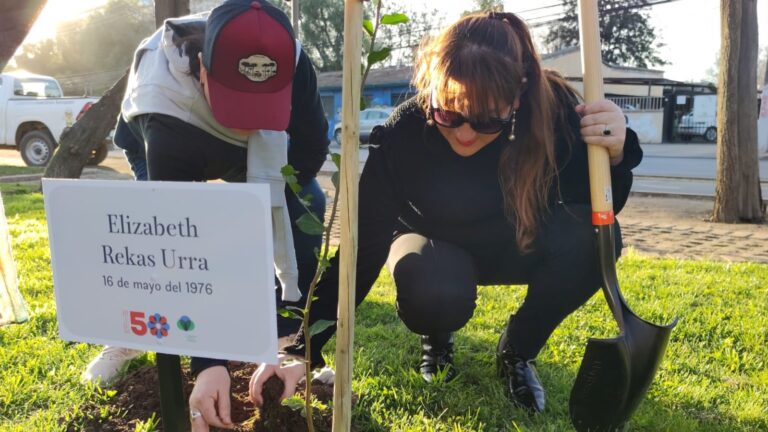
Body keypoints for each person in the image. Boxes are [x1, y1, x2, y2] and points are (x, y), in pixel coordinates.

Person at [247, 10, 643, 415]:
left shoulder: (552, 114)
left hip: (515, 244)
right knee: (434, 289)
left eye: (488, 119)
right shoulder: (405, 133)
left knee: (599, 240)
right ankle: (437, 335)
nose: (465, 132)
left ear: (518, 95)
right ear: (431, 87)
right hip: (434, 251)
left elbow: (596, 209)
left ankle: (518, 349)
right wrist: (301, 349)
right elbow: (360, 251)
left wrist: (612, 155)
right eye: (449, 112)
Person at [81, 0, 329, 425]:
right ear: (201, 69)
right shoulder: (163, 103)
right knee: (155, 247)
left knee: (307, 205)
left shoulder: (295, 62)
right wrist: (208, 364)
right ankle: (130, 337)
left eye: (261, 106)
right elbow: (179, 242)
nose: (247, 122)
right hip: (177, 130)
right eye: (240, 107)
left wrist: (260, 215)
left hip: (260, 154)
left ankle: (287, 339)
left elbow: (307, 155)